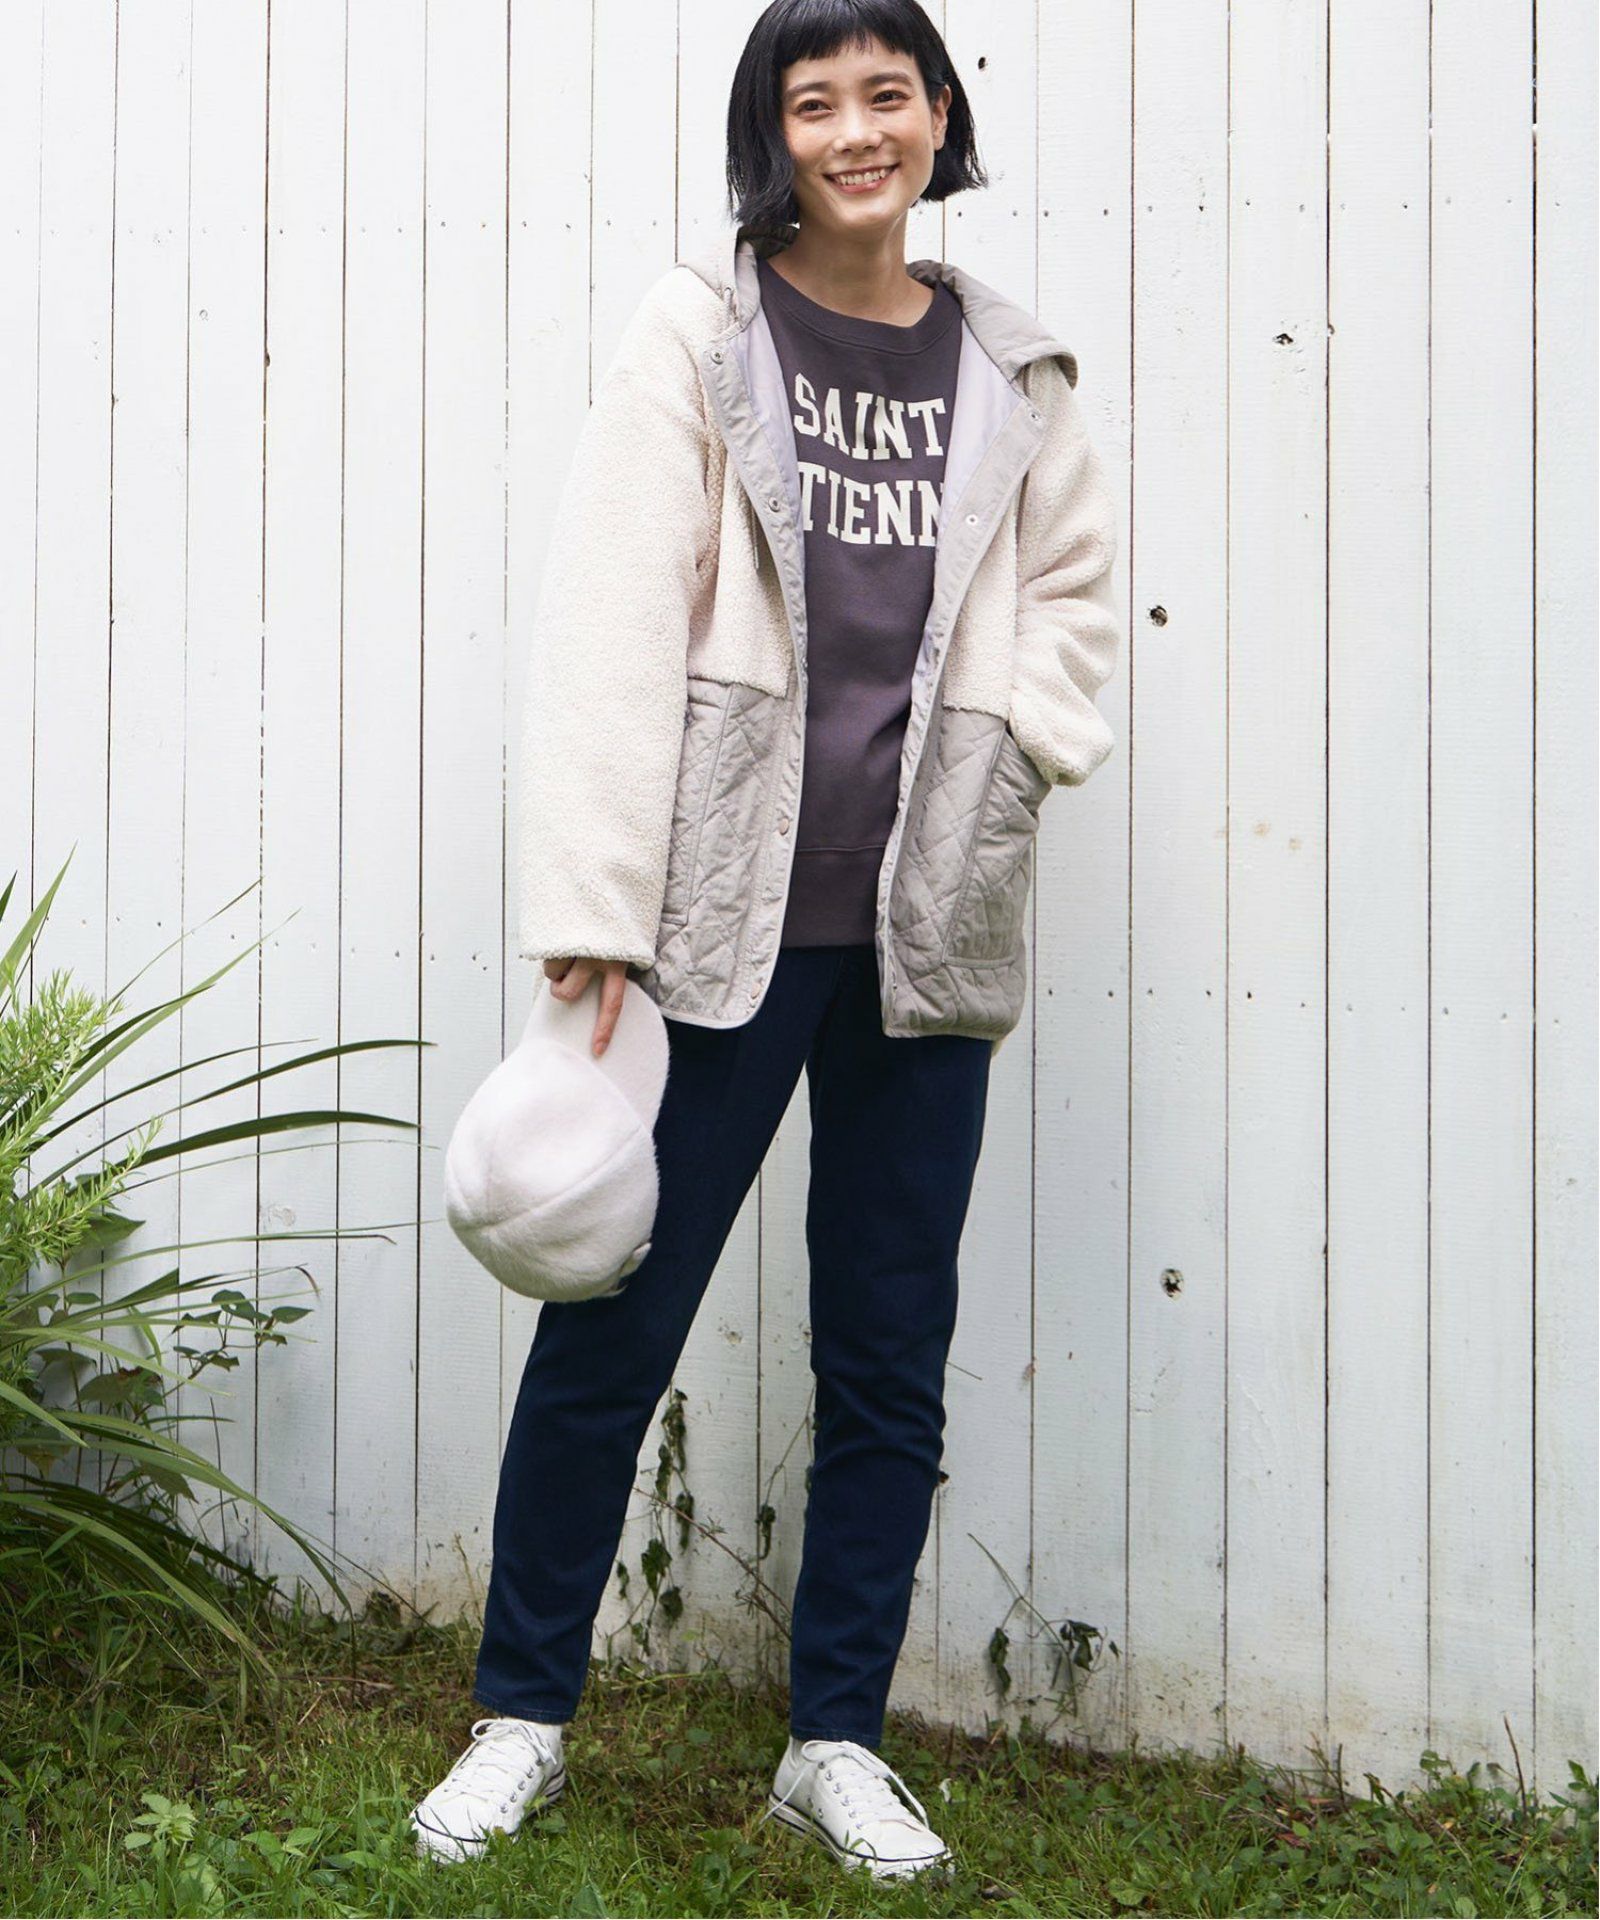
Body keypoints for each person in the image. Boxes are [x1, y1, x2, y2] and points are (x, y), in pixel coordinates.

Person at [411, 0, 1121, 1884]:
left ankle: (836, 1740)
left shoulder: (1014, 367)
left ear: (940, 115)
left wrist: (1023, 746)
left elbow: (1072, 595)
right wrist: (593, 908)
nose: (856, 128)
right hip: (724, 917)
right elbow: (614, 611)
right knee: (613, 1318)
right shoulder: (705, 331)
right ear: (776, 136)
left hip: (927, 923)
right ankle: (521, 1717)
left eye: (889, 92)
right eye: (816, 102)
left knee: (890, 1345)